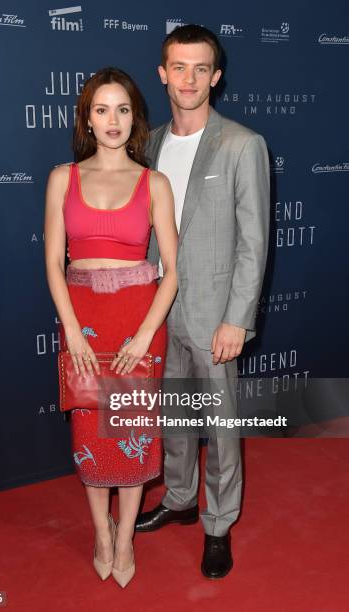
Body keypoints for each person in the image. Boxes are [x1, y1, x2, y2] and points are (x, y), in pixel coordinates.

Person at [135, 25, 270, 579]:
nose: (188, 79)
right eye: (178, 67)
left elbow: (253, 240)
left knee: (218, 425)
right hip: (159, 310)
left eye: (200, 69)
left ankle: (218, 524)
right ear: (163, 74)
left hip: (215, 315)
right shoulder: (147, 144)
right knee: (174, 417)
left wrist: (237, 319)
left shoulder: (242, 144)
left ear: (215, 77)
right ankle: (182, 498)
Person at [44, 67, 178, 588]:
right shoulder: (63, 178)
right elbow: (54, 264)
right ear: (87, 118)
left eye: (123, 109)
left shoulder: (154, 183)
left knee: (130, 435)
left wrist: (145, 334)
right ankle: (101, 533)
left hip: (136, 321)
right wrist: (72, 330)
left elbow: (171, 271)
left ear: (135, 117)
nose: (113, 120)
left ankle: (125, 540)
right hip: (83, 322)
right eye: (102, 109)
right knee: (90, 435)